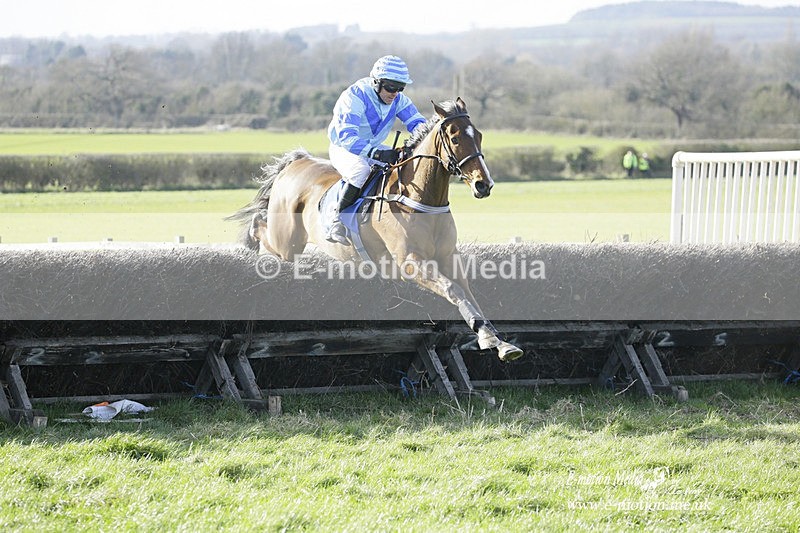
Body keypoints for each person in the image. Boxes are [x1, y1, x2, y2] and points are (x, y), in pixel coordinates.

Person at [325, 55, 427, 244]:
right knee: (360, 170)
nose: (394, 93)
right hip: (344, 148)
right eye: (390, 86)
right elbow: (347, 138)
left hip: (372, 147)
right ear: (376, 82)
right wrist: (377, 153)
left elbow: (419, 124)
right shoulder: (354, 96)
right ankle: (336, 221)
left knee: (403, 165)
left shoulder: (399, 99)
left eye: (400, 88)